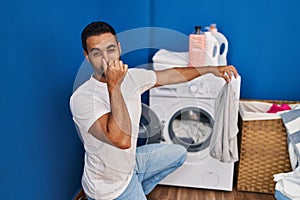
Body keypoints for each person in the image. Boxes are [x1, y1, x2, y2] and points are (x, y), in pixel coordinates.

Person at [70, 21, 238, 200]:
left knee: (179, 154)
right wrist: (115, 86)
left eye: (110, 49)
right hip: (108, 189)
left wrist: (211, 69)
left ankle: (138, 189)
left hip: (131, 165)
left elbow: (171, 75)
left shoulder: (132, 77)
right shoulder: (82, 98)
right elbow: (121, 140)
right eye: (97, 53)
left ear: (119, 48)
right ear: (87, 56)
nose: (106, 59)